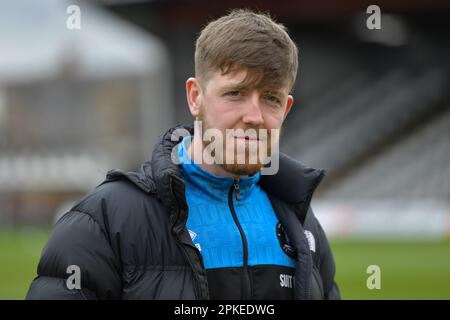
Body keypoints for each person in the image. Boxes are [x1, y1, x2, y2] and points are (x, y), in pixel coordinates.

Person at [26, 9, 340, 300]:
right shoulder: (105, 220)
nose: (255, 116)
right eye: (235, 93)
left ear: (285, 110)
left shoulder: (302, 226)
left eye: (271, 98)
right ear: (195, 98)